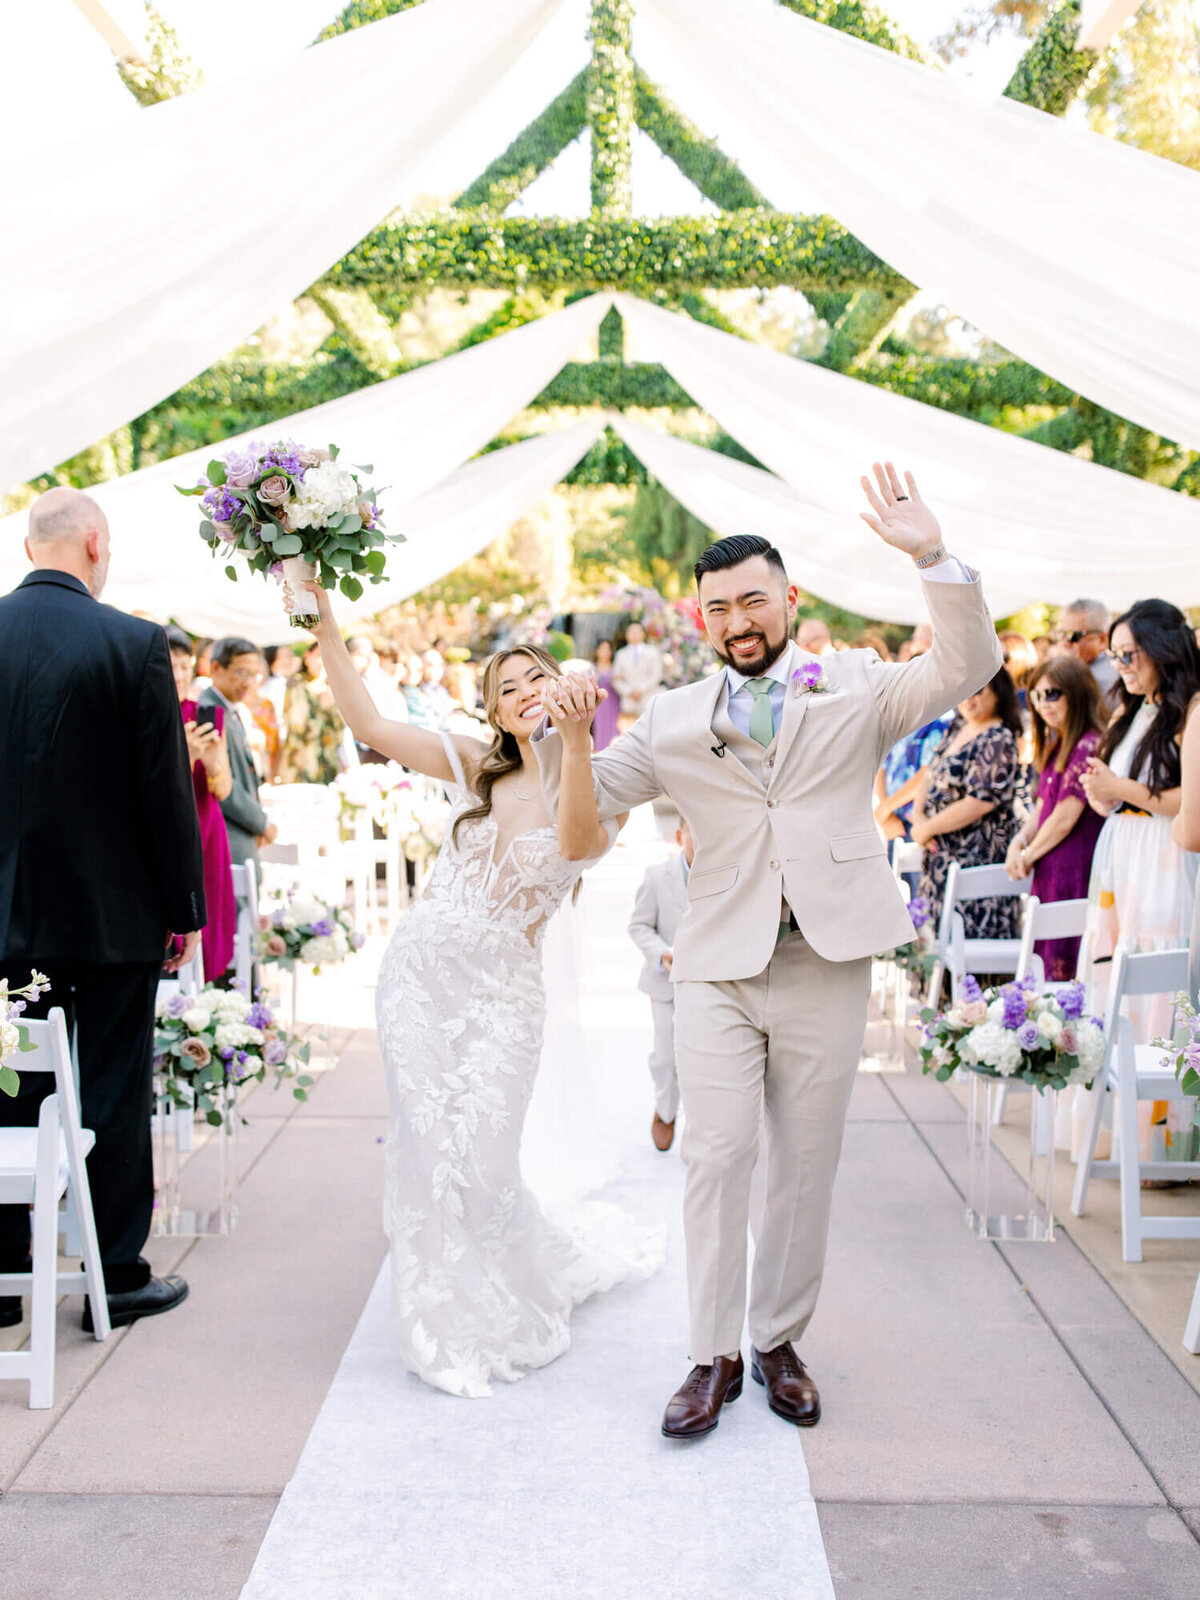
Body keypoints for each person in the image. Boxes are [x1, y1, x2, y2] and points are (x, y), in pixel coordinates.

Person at [538, 463, 1001, 1439]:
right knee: (717, 1156)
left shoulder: (859, 685)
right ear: (700, 620)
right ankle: (711, 1353)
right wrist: (565, 735)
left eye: (754, 600)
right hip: (716, 961)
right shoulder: (670, 718)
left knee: (804, 1163)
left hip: (825, 958)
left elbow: (965, 664)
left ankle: (779, 1339)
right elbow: (584, 813)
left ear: (790, 601)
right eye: (719, 608)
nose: (738, 620)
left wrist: (930, 553)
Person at [289, 577, 651, 1400]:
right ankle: (440, 1317)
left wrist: (576, 743)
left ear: (561, 687)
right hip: (419, 980)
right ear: (491, 710)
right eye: (505, 687)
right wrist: (325, 622)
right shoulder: (471, 766)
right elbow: (369, 724)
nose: (522, 693)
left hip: (503, 998)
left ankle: (508, 1290)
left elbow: (578, 845)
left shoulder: (602, 780)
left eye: (534, 678)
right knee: (429, 1150)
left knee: (484, 1162)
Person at [0, 488, 204, 1333]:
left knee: (9, 1086)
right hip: (114, 919)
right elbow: (163, 791)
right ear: (94, 543)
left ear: (29, 550)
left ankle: (4, 1275)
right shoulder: (132, 642)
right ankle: (113, 1277)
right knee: (113, 1091)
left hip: (6, 920)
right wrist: (182, 906)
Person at [1080, 600, 1200, 1164]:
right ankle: (1116, 1135)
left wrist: (1120, 789)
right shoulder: (1132, 712)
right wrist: (1101, 792)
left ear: (1161, 649)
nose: (1122, 665)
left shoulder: (1187, 713)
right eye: (1116, 655)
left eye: (1130, 654)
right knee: (1113, 974)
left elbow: (1186, 804)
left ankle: (1158, 1147)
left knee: (1156, 982)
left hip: (1163, 859)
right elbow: (1118, 792)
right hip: (1122, 856)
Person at [1004, 656, 1105, 980]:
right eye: (1036, 695)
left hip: (1073, 870)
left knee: (1066, 970)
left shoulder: (1089, 744)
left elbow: (1065, 816)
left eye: (1052, 694)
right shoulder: (1058, 742)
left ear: (1077, 692)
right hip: (1049, 868)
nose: (1042, 704)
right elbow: (1043, 808)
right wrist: (1018, 843)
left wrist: (1027, 855)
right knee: (1044, 966)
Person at [912, 667, 1023, 947]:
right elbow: (929, 774)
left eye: (978, 691)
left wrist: (927, 828)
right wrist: (918, 818)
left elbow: (979, 802)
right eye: (964, 691)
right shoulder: (958, 726)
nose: (969, 699)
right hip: (939, 860)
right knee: (934, 945)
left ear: (997, 692)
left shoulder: (999, 738)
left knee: (967, 949)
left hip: (974, 860)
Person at [166, 627, 236, 982]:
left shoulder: (204, 714)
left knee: (208, 924)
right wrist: (186, 756)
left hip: (206, 830)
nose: (178, 675)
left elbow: (223, 790)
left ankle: (203, 998)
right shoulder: (146, 717)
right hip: (170, 831)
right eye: (170, 666)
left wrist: (212, 762)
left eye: (184, 666)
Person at [628, 819, 695, 1153]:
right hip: (665, 984)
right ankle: (666, 1111)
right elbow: (639, 925)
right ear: (680, 836)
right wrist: (662, 953)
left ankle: (699, 1123)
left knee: (702, 1057)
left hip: (709, 984)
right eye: (695, 832)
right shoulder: (657, 876)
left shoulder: (723, 875)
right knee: (666, 1056)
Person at [200, 639, 277, 870]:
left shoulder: (231, 709)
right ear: (216, 668)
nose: (248, 682)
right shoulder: (208, 711)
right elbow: (222, 783)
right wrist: (261, 822)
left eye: (253, 674)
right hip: (228, 837)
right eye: (241, 672)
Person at [277, 639, 346, 784]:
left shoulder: (332, 686)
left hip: (329, 766)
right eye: (319, 656)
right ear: (307, 656)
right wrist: (322, 707)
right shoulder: (297, 684)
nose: (323, 662)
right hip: (301, 767)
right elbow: (298, 727)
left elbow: (341, 730)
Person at [1055, 598, 1121, 715]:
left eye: (1073, 636)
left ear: (1102, 639)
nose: (1065, 642)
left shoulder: (1105, 676)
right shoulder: (1078, 667)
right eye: (1062, 634)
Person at [612, 621, 663, 726]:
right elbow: (615, 679)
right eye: (631, 631)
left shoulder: (652, 651)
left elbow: (656, 675)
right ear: (626, 635)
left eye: (638, 631)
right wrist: (629, 691)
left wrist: (640, 690)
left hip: (648, 698)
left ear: (643, 634)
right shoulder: (620, 654)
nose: (634, 634)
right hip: (628, 703)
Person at [591, 639, 620, 752]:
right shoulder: (592, 669)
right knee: (599, 726)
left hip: (613, 703)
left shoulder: (616, 668)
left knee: (613, 726)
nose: (605, 652)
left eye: (607, 649)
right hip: (599, 704)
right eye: (602, 649)